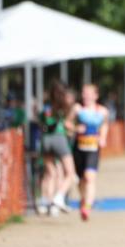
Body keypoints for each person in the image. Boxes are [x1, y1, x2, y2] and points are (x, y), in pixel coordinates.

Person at [68, 83, 110, 221]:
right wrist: (75, 128)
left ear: (96, 96)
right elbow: (67, 123)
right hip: (78, 148)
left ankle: (87, 207)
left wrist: (103, 137)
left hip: (93, 148)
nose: (85, 96)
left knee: (89, 177)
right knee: (81, 180)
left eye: (89, 93)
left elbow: (105, 125)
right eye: (84, 93)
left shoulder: (103, 111)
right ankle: (83, 199)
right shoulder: (77, 109)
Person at [39, 81, 77, 217]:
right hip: (59, 139)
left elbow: (41, 122)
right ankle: (58, 198)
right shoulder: (64, 107)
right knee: (70, 173)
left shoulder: (46, 108)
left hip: (45, 140)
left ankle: (45, 203)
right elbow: (67, 125)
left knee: (50, 173)